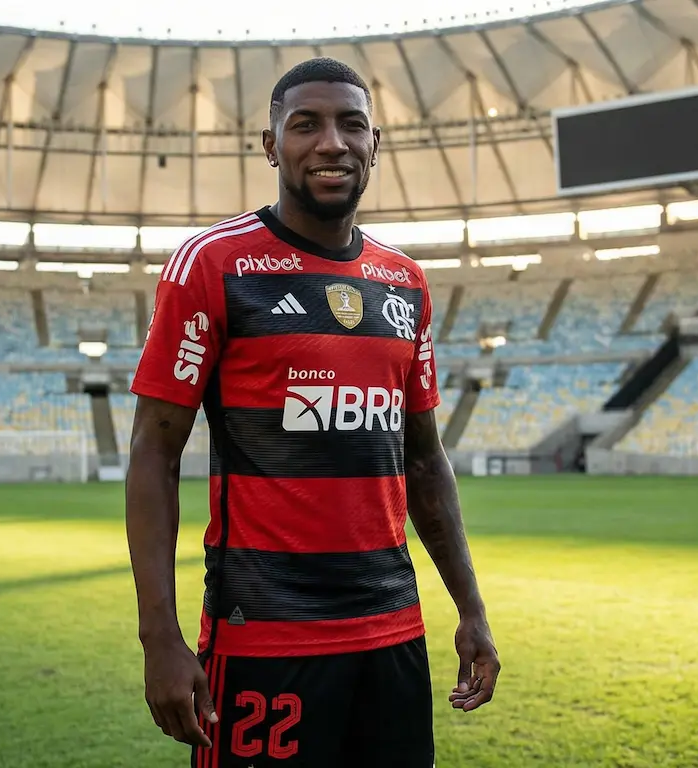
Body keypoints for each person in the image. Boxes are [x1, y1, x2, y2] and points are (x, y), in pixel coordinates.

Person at [125, 57, 499, 766]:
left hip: (393, 634)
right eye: (306, 125)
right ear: (271, 146)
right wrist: (160, 638)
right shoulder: (212, 263)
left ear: (374, 144)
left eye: (351, 124)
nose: (332, 142)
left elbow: (424, 460)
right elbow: (154, 453)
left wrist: (471, 608)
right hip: (264, 636)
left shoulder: (405, 282)